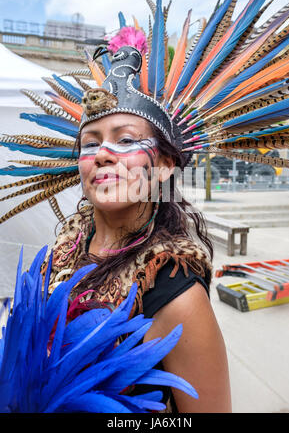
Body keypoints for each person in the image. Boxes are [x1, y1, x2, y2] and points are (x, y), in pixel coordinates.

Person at [39, 43, 232, 413]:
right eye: (90, 144)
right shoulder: (61, 251)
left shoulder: (178, 297)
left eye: (125, 139)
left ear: (162, 167)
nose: (102, 154)